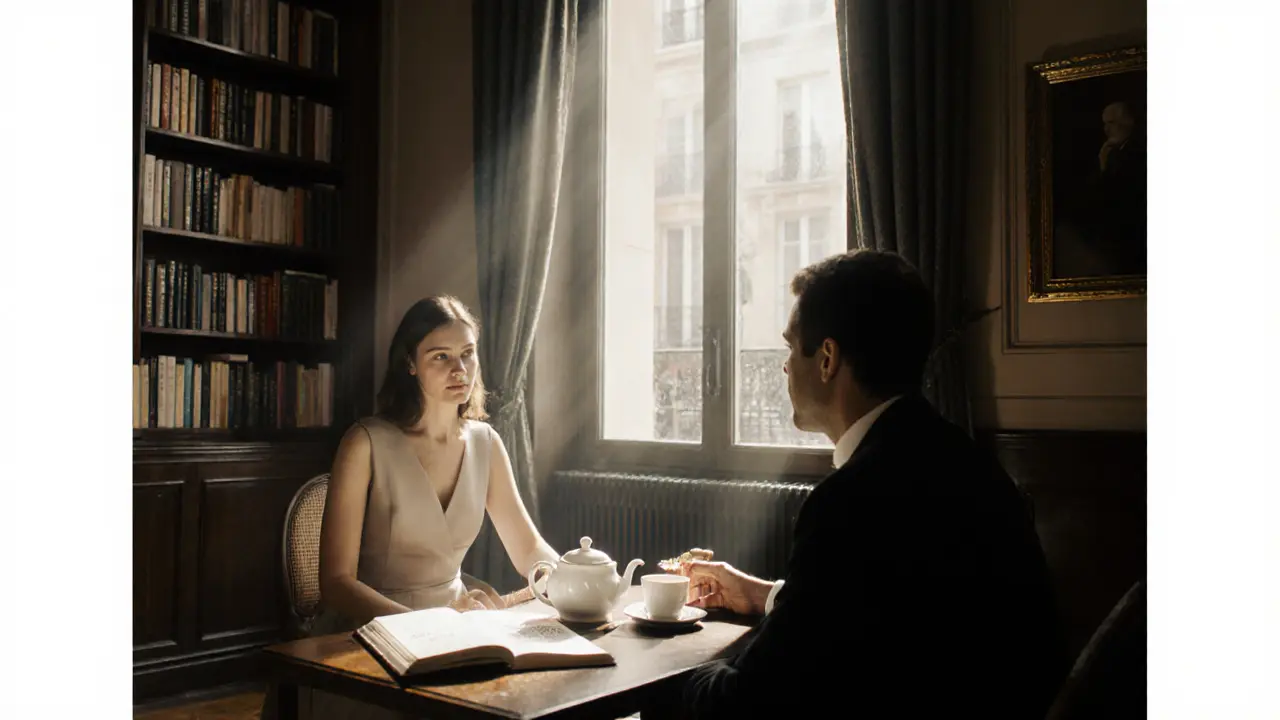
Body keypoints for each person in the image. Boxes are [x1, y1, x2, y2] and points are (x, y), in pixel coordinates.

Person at [661, 250, 1068, 718]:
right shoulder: (968, 462)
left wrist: (667, 679)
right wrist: (762, 595)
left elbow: (754, 701)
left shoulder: (852, 500)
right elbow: (876, 619)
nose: (786, 366)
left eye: (792, 347)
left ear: (827, 359)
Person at [262, 295, 560, 720]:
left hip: (459, 630)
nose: (460, 370)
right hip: (369, 636)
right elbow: (336, 582)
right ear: (409, 364)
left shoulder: (487, 444)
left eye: (468, 354)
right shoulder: (364, 442)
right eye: (441, 357)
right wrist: (430, 628)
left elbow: (529, 548)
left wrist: (566, 579)